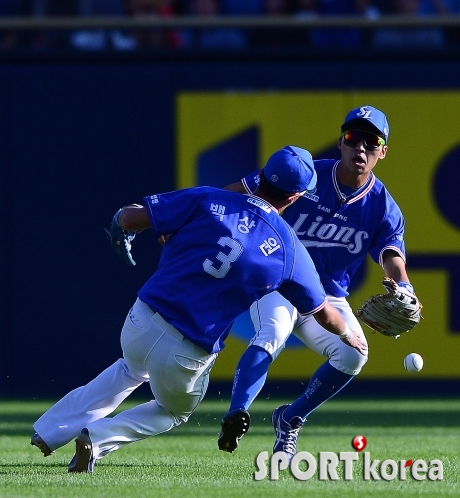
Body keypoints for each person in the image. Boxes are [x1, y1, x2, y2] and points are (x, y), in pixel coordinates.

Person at [30, 145, 367, 473]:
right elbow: (324, 314)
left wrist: (122, 218)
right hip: (188, 349)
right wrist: (350, 333)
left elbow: (132, 218)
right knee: (172, 411)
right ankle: (98, 438)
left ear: (261, 175)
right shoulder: (289, 250)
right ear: (295, 197)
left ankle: (50, 430)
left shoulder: (209, 197)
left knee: (129, 369)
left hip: (141, 319)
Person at [218, 105, 417, 460]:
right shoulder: (305, 176)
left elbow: (391, 253)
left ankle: (291, 417)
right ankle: (237, 413)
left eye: (371, 142)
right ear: (340, 143)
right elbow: (236, 191)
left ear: (382, 152)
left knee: (354, 354)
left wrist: (403, 285)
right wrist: (207, 214)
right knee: (272, 333)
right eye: (353, 138)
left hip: (326, 299)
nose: (361, 148)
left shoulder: (383, 206)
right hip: (277, 282)